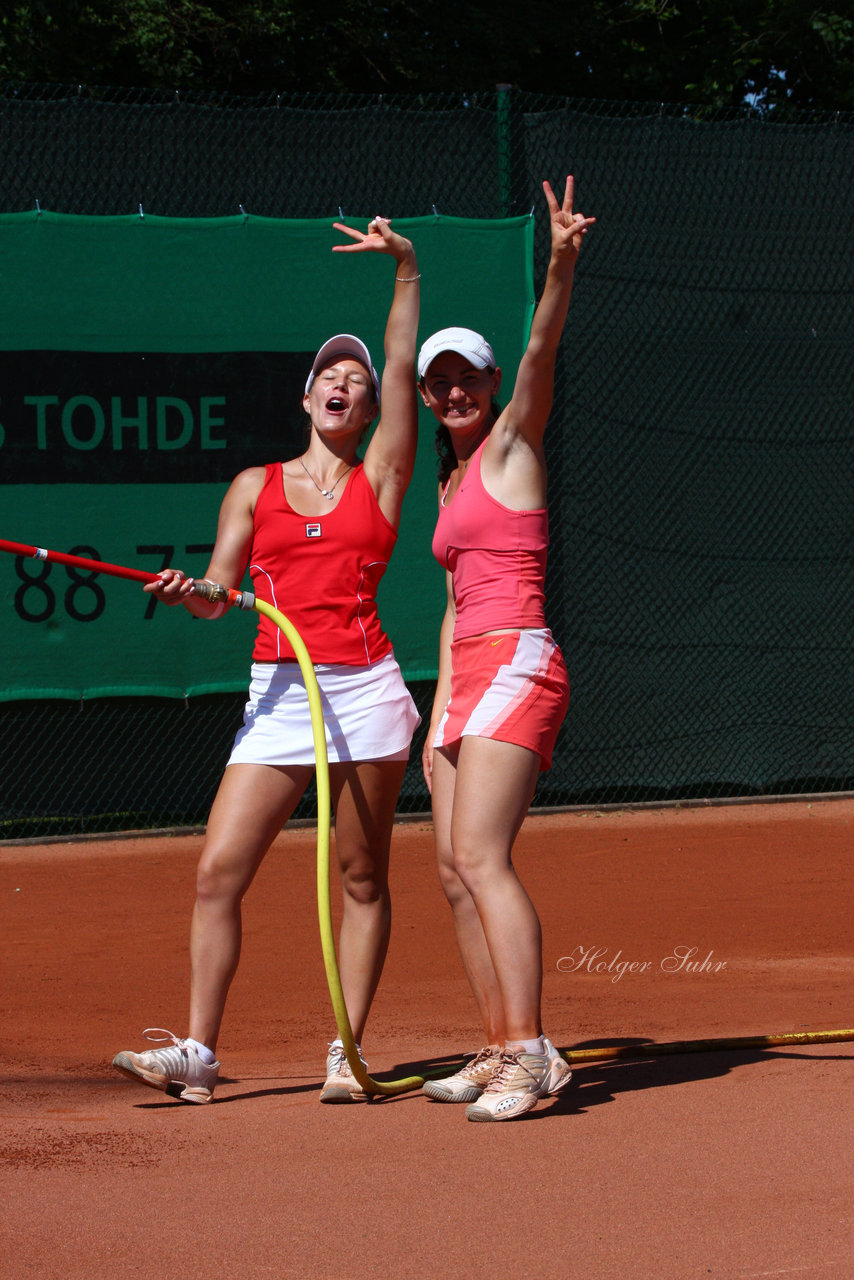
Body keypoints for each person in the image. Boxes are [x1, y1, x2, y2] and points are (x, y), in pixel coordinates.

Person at [113, 216, 421, 1104]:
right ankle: (199, 1054)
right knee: (217, 872)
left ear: (368, 413)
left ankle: (348, 1054)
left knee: (362, 875)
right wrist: (191, 592)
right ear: (306, 398)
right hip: (278, 695)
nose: (346, 384)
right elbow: (220, 591)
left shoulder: (383, 476)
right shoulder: (252, 485)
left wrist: (406, 270)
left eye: (357, 383)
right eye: (331, 375)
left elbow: (402, 367)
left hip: (362, 690)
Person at [417, 176, 594, 1122]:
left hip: (520, 657)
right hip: (467, 676)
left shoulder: (512, 445)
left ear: (489, 387)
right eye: (438, 380)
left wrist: (561, 260)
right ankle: (496, 1045)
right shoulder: (447, 490)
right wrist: (438, 711)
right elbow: (449, 603)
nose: (453, 391)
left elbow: (541, 348)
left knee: (482, 856)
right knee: (451, 872)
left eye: (466, 378)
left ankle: (532, 1055)